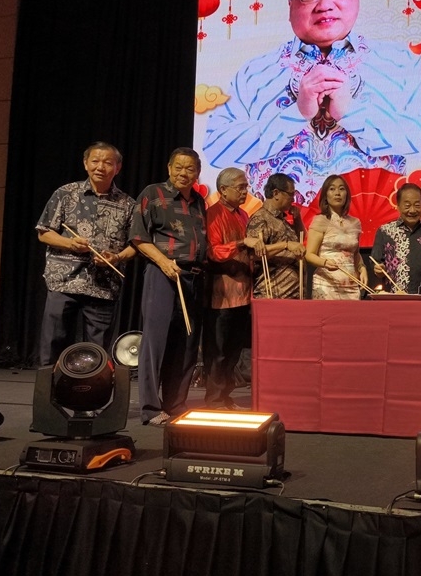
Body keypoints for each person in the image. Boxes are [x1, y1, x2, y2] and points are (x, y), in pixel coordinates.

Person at [202, 0, 421, 202]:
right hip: (278, 234)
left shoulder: (400, 64)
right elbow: (215, 148)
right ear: (291, 4)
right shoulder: (256, 72)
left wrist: (352, 112)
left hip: (371, 230)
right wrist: (294, 115)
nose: (325, 5)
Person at [35, 142, 136, 366]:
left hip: (103, 286)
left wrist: (116, 258)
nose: (100, 167)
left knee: (97, 352)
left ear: (117, 167)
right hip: (64, 281)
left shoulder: (128, 204)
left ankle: (90, 395)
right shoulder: (65, 193)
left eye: (108, 162)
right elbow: (44, 233)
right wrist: (70, 243)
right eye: (95, 161)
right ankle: (50, 396)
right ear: (85, 163)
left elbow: (136, 245)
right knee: (53, 344)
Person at [131, 147, 207, 425]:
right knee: (156, 342)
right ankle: (151, 409)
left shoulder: (200, 202)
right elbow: (138, 237)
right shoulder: (153, 194)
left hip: (193, 277)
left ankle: (176, 404)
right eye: (178, 167)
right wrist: (163, 262)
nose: (183, 173)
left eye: (189, 169)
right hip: (162, 273)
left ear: (197, 173)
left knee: (186, 343)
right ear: (168, 167)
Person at [203, 168, 266, 409]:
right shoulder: (213, 214)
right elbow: (213, 252)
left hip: (243, 293)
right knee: (218, 351)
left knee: (234, 351)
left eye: (246, 186)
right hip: (221, 295)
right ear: (223, 190)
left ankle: (226, 397)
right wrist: (241, 242)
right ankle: (214, 400)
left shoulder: (242, 215)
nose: (245, 191)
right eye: (240, 187)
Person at [370, 183, 421, 296]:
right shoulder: (384, 231)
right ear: (398, 206)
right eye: (407, 206)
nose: (412, 210)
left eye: (417, 205)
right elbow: (375, 262)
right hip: (394, 300)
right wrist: (378, 270)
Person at [305, 173, 367, 299]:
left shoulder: (355, 222)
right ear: (325, 196)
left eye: (341, 188)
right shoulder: (320, 221)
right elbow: (309, 254)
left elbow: (355, 254)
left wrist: (362, 268)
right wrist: (325, 262)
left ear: (347, 195)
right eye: (332, 189)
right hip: (326, 284)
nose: (337, 193)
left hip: (350, 285)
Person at [246, 173, 307, 299]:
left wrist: (297, 220)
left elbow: (301, 238)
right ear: (276, 193)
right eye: (291, 194)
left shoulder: (282, 220)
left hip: (294, 295)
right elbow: (254, 255)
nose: (293, 199)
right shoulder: (260, 218)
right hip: (273, 295)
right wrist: (285, 245)